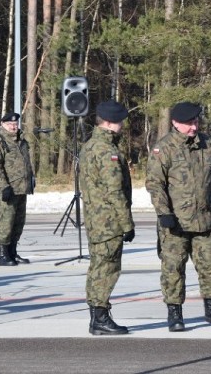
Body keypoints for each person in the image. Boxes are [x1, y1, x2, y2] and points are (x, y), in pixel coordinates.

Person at [145, 101, 211, 332]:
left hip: (204, 221)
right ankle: (175, 313)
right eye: (188, 123)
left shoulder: (208, 144)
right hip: (175, 223)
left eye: (196, 122)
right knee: (173, 269)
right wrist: (164, 213)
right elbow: (154, 185)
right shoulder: (163, 148)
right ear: (176, 123)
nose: (194, 127)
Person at [78, 100, 134, 335]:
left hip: (95, 219)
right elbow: (114, 191)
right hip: (108, 221)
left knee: (97, 268)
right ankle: (100, 317)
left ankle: (97, 316)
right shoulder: (106, 151)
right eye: (120, 121)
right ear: (110, 123)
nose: (122, 125)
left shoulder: (90, 146)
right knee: (107, 269)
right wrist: (127, 223)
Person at [0, 112, 35, 266]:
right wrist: (4, 186)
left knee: (18, 222)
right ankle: (3, 254)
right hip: (8, 189)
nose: (13, 126)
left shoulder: (21, 141)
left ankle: (12, 252)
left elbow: (26, 163)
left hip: (21, 188)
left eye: (15, 124)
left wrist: (31, 179)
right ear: (2, 124)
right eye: (10, 124)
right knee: (6, 221)